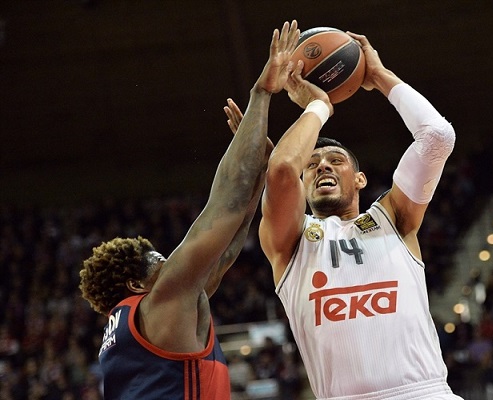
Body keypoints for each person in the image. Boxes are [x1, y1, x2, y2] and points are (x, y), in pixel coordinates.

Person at [78, 20, 300, 400]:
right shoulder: (164, 297)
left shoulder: (135, 325)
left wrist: (262, 173)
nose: (170, 260)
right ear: (137, 285)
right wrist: (261, 93)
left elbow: (225, 249)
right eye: (158, 260)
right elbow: (223, 206)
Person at [258, 29, 462, 399]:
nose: (323, 166)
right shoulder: (290, 241)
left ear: (360, 179)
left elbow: (437, 137)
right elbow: (283, 169)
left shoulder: (394, 219)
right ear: (303, 185)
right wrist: (318, 105)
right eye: (312, 164)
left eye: (336, 160)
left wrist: (378, 75)